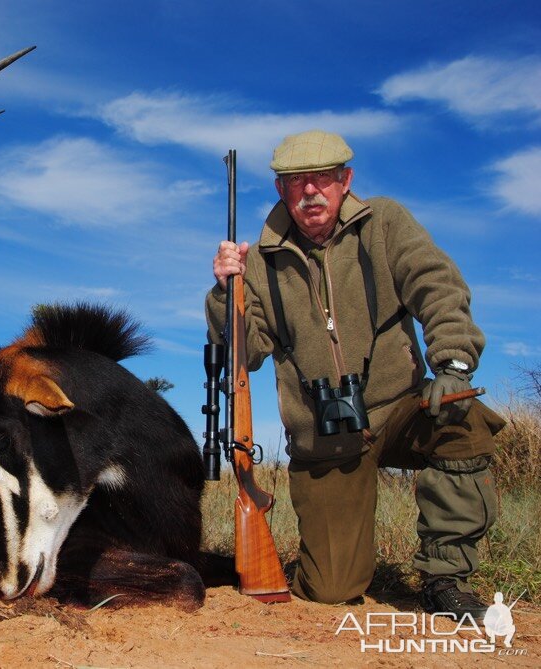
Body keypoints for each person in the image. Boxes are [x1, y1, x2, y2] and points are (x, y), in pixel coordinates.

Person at [207, 130, 505, 620]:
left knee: (460, 418)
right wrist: (224, 292)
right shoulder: (255, 263)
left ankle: (445, 578)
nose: (309, 192)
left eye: (322, 179)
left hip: (400, 409)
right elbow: (249, 352)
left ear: (345, 181)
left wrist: (452, 362)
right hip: (325, 438)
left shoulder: (385, 221)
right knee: (330, 589)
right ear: (281, 191)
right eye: (296, 182)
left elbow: (436, 284)